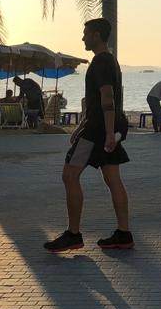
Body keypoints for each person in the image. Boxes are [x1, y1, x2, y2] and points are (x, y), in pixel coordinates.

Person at [45, 18, 133, 253]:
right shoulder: (111, 61)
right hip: (104, 128)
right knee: (113, 179)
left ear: (96, 35)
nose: (83, 38)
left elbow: (107, 98)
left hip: (97, 132)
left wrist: (106, 134)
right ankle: (123, 234)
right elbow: (99, 100)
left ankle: (73, 234)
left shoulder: (101, 62)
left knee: (69, 176)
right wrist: (88, 127)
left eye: (85, 34)